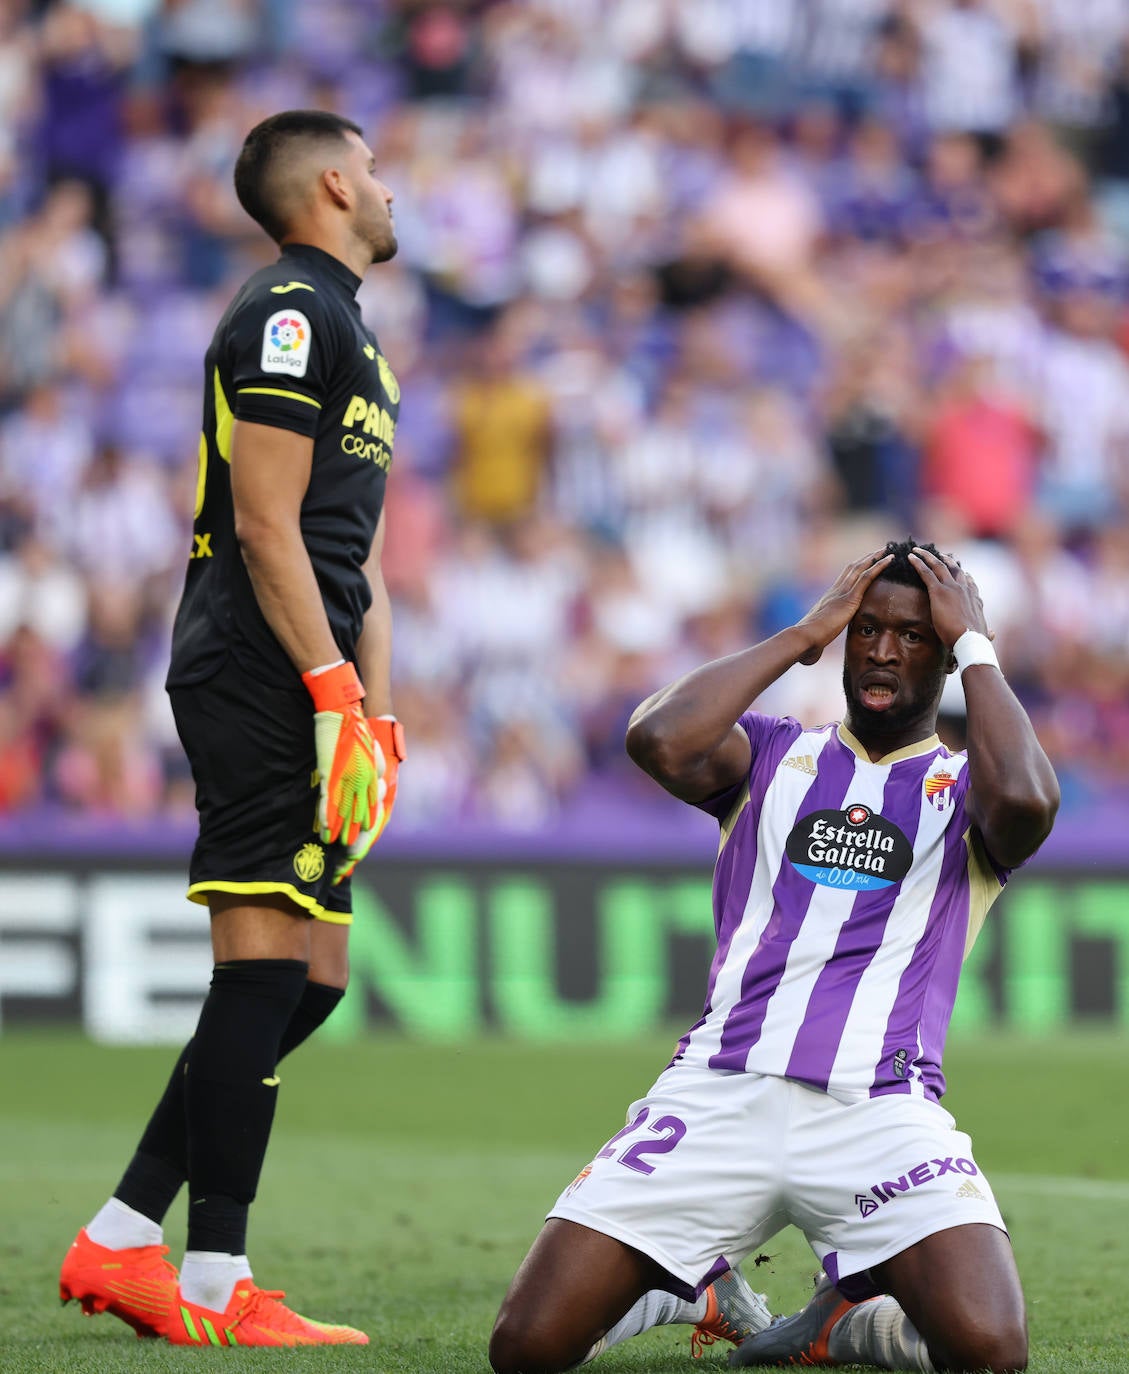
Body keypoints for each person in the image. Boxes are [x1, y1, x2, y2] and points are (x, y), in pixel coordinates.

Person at [490, 539, 1059, 1374]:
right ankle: (685, 1287)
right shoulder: (770, 754)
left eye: (910, 636)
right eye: (865, 630)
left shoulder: (968, 788)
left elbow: (1028, 801)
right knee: (525, 1348)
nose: (880, 651)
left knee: (988, 1349)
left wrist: (976, 644)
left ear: (942, 657)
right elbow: (657, 738)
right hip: (718, 1094)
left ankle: (849, 1324)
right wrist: (804, 630)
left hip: (878, 1112)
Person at [59, 110, 407, 1348]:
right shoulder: (289, 315)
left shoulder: (357, 337)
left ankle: (119, 1235)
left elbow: (347, 550)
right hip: (257, 670)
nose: (385, 186)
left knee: (307, 983)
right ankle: (211, 1280)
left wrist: (374, 707)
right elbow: (264, 525)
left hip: (311, 676)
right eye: (371, 168)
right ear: (329, 184)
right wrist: (323, 691)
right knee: (260, 969)